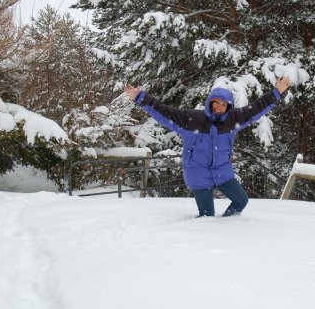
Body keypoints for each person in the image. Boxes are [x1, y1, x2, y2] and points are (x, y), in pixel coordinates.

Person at [124, 77, 290, 217]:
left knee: (241, 200)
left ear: (228, 107)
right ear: (210, 103)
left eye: (223, 105)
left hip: (222, 171)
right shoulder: (192, 119)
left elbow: (256, 109)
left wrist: (276, 92)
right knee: (207, 216)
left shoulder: (232, 120)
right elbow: (164, 112)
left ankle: (228, 224)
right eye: (216, 103)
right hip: (198, 172)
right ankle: (206, 242)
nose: (219, 107)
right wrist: (141, 97)